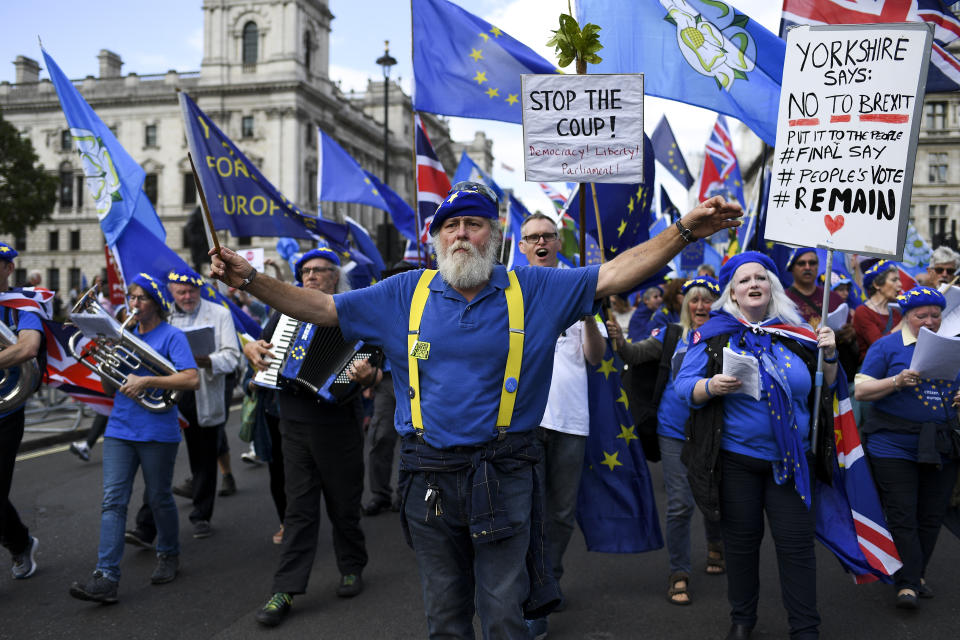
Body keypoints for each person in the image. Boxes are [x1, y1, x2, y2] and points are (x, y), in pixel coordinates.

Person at [209, 181, 742, 637]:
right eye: (450, 226)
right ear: (436, 238)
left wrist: (686, 230)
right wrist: (250, 280)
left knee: (503, 612)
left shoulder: (532, 287)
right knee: (444, 614)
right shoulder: (403, 293)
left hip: (505, 472)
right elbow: (322, 308)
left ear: (496, 235)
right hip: (430, 477)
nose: (461, 233)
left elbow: (614, 275)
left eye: (474, 223)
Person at [675, 252, 838, 640]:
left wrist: (829, 353)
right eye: (745, 279)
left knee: (796, 548)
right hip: (736, 462)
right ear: (732, 291)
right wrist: (710, 386)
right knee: (742, 547)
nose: (754, 284)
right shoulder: (713, 334)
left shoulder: (798, 334)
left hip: (792, 461)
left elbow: (828, 383)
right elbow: (684, 387)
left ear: (772, 288)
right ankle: (742, 620)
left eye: (761, 278)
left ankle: (805, 627)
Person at [243, 247, 374, 627]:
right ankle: (284, 589)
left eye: (321, 271)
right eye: (306, 271)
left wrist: (364, 374)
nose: (312, 276)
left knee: (343, 504)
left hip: (338, 422)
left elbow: (371, 358)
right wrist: (251, 348)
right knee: (297, 509)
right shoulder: (283, 312)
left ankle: (352, 565)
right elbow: (259, 347)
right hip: (294, 419)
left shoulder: (353, 312)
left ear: (335, 277)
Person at [68, 273, 198, 603]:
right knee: (113, 501)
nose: (133, 304)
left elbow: (191, 379)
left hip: (158, 431)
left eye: (140, 298)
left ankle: (169, 552)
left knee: (159, 498)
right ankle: (106, 576)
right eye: (130, 297)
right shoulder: (122, 336)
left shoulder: (173, 336)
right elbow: (111, 388)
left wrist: (146, 380)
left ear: (156, 303)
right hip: (120, 429)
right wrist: (106, 358)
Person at [607, 275, 725, 607]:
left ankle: (716, 542)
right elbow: (634, 352)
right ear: (684, 305)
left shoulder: (729, 337)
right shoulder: (672, 334)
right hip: (672, 430)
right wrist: (618, 338)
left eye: (707, 300)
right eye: (694, 300)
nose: (700, 306)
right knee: (680, 504)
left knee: (715, 494)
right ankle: (679, 573)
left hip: (712, 431)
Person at [517, 212, 606, 634]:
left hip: (571, 418)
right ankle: (530, 593)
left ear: (558, 242)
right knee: (524, 508)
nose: (540, 242)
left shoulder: (577, 284)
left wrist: (588, 314)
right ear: (521, 246)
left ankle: (549, 579)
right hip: (523, 419)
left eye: (547, 236)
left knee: (560, 511)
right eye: (532, 236)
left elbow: (595, 357)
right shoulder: (507, 290)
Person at [854, 286, 960, 609]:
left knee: (931, 514)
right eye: (921, 315)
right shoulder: (886, 347)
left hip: (940, 443)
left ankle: (914, 574)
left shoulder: (954, 347)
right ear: (905, 316)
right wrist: (896, 382)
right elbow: (861, 391)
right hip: (892, 444)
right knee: (903, 514)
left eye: (935, 315)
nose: (929, 321)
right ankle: (909, 583)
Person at [127, 268, 240, 545]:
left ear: (199, 290)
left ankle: (201, 515)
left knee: (203, 459)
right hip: (168, 393)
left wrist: (205, 360)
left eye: (191, 291)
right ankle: (146, 527)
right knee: (159, 463)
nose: (187, 296)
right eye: (181, 292)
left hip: (202, 390)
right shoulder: (163, 316)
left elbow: (232, 357)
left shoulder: (220, 313)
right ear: (171, 293)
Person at [0, 242, 44, 580]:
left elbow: (28, 347)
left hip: (6, 411)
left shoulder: (23, 305)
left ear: (8, 268)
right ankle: (20, 542)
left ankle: (19, 543)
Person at [784, 248, 859, 378]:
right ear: (792, 267)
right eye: (802, 263)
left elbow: (849, 330)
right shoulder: (783, 300)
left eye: (812, 263)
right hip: (801, 370)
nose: (807, 267)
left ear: (818, 266)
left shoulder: (834, 297)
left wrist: (850, 333)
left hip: (837, 367)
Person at [853, 260, 902, 362]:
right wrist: (903, 325)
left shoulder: (896, 313)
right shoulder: (862, 312)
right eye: (894, 280)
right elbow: (878, 345)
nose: (900, 284)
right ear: (877, 284)